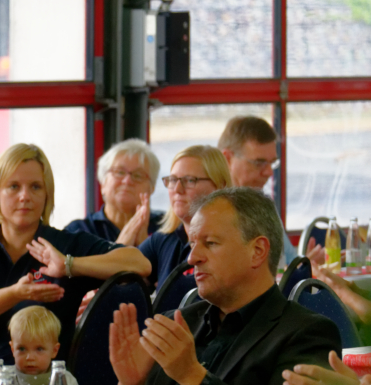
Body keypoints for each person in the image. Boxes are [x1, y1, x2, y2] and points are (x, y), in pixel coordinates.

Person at [102, 187, 341, 385]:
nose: (192, 258)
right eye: (192, 244)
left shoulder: (306, 333)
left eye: (210, 243)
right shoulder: (175, 323)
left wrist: (193, 377)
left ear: (257, 251)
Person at [0, 142, 150, 361]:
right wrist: (16, 294)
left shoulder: (65, 245)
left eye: (36, 187)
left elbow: (140, 263)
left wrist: (69, 265)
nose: (25, 196)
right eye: (14, 186)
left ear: (47, 195)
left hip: (53, 377)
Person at [218, 116, 318, 265]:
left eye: (272, 163)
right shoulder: (210, 214)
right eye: (259, 163)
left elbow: (288, 262)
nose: (269, 172)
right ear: (227, 159)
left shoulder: (265, 208)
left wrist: (306, 266)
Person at [139, 145, 231, 288]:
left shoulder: (232, 243)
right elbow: (122, 274)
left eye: (190, 180)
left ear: (220, 186)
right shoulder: (164, 240)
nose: (177, 189)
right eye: (173, 180)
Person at [65, 138, 163, 246]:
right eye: (120, 172)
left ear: (152, 188)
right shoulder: (78, 231)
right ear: (103, 183)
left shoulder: (166, 228)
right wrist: (119, 248)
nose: (127, 181)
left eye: (138, 175)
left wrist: (147, 247)